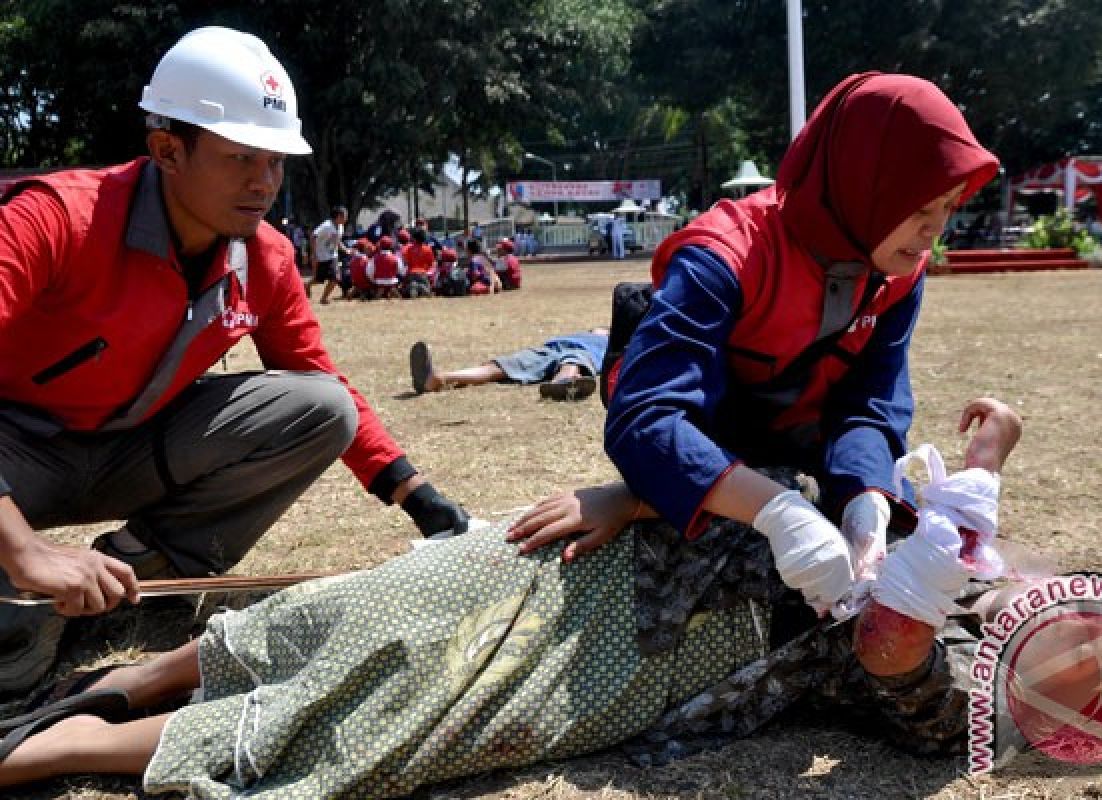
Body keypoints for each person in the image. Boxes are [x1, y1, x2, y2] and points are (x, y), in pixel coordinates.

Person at [0, 398, 1028, 795]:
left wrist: (913, 614)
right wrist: (629, 494)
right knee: (371, 601)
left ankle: (51, 749)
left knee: (382, 718)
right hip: (611, 557)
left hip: (644, 665)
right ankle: (130, 682)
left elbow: (918, 698)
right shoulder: (878, 492)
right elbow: (744, 453)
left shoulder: (961, 666)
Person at [0, 26, 469, 696]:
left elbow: (322, 382)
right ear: (167, 149)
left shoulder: (266, 257)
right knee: (11, 654)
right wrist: (24, 550)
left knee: (319, 406)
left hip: (130, 450)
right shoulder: (57, 219)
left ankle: (144, 570)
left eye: (276, 161)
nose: (265, 182)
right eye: (241, 157)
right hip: (18, 457)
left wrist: (419, 498)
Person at [603, 72, 999, 616]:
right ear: (865, 182)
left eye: (950, 206)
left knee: (928, 586)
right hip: (722, 466)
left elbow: (871, 400)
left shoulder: (899, 269)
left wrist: (866, 501)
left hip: (808, 463)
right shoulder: (725, 259)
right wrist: (776, 510)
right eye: (919, 208)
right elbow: (646, 419)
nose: (936, 230)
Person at [409, 328, 609, 401]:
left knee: (574, 359)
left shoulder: (619, 341)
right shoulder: (592, 333)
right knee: (503, 365)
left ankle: (565, 381)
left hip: (582, 353)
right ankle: (437, 379)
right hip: (551, 348)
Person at [306, 205, 349, 304]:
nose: (346, 218)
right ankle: (307, 285)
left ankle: (323, 298)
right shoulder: (326, 226)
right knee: (319, 279)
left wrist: (346, 249)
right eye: (345, 216)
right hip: (322, 257)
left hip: (333, 256)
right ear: (338, 216)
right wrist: (314, 254)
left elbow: (337, 241)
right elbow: (313, 236)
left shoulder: (341, 227)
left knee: (335, 278)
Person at [401, 228, 435, 298]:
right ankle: (420, 286)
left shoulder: (409, 249)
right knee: (429, 292)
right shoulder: (428, 249)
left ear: (415, 238)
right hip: (422, 273)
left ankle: (412, 286)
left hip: (411, 273)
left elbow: (405, 262)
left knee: (404, 291)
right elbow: (431, 264)